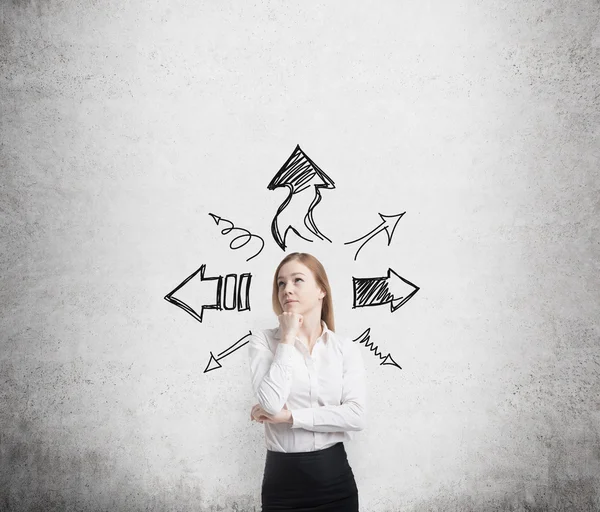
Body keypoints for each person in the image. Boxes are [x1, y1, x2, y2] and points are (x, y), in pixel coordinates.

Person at [247, 252, 367, 511]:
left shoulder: (345, 348)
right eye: (281, 283)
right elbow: (270, 404)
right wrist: (288, 337)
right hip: (283, 486)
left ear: (321, 290)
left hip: (336, 482)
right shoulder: (264, 341)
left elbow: (356, 416)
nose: (287, 289)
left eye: (297, 280)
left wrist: (291, 417)